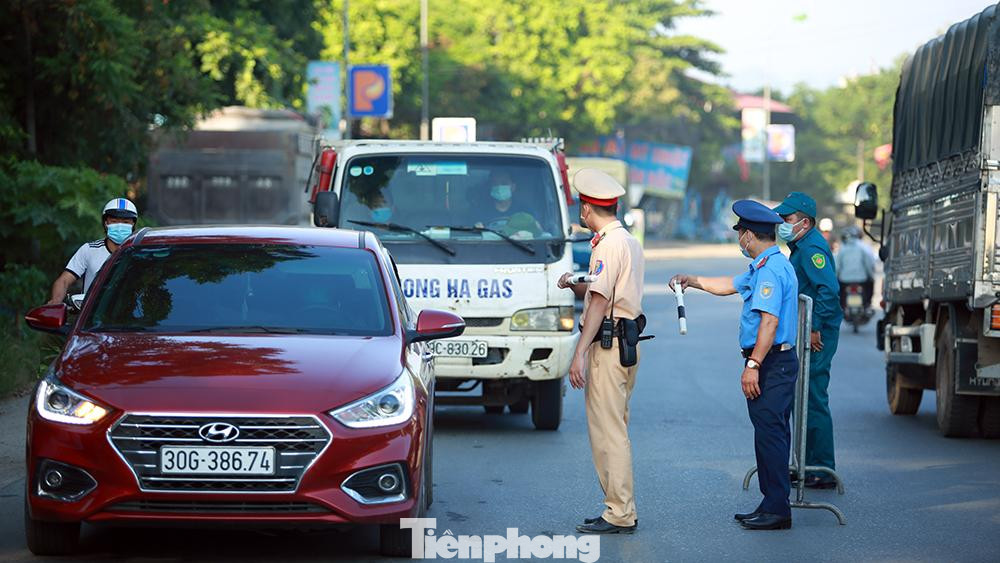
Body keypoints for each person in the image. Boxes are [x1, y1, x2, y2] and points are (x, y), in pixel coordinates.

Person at [670, 200, 799, 530]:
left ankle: (778, 509)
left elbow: (769, 322)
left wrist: (753, 364)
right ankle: (771, 502)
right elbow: (729, 285)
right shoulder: (763, 266)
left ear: (749, 236)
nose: (739, 239)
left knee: (771, 435)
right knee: (768, 434)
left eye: (741, 233)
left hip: (772, 362)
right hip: (771, 362)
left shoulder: (770, 269)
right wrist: (692, 280)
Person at [557, 168, 644, 535]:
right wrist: (573, 285)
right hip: (625, 342)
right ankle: (619, 507)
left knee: (608, 432)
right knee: (615, 427)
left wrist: (579, 353)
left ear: (586, 209)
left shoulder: (607, 246)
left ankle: (620, 512)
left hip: (608, 347)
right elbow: (599, 294)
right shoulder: (627, 241)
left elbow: (599, 303)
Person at [773, 192, 842, 489]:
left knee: (813, 397)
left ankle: (822, 468)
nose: (783, 224)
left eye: (787, 219)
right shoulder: (800, 245)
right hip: (810, 328)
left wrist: (815, 326)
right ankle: (806, 463)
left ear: (805, 221)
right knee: (804, 396)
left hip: (819, 331)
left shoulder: (813, 247)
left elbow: (828, 291)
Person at [47, 198, 138, 305]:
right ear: (106, 223)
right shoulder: (89, 250)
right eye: (114, 221)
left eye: (125, 222)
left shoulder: (139, 253)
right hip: (91, 318)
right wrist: (56, 302)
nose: (119, 226)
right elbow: (64, 280)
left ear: (133, 224)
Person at [835, 226, 876, 310]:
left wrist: (836, 278)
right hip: (861, 280)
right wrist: (870, 276)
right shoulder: (864, 247)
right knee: (870, 285)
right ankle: (867, 305)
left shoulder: (842, 248)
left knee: (840, 293)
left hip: (844, 280)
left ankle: (842, 307)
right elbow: (868, 264)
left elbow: (837, 266)